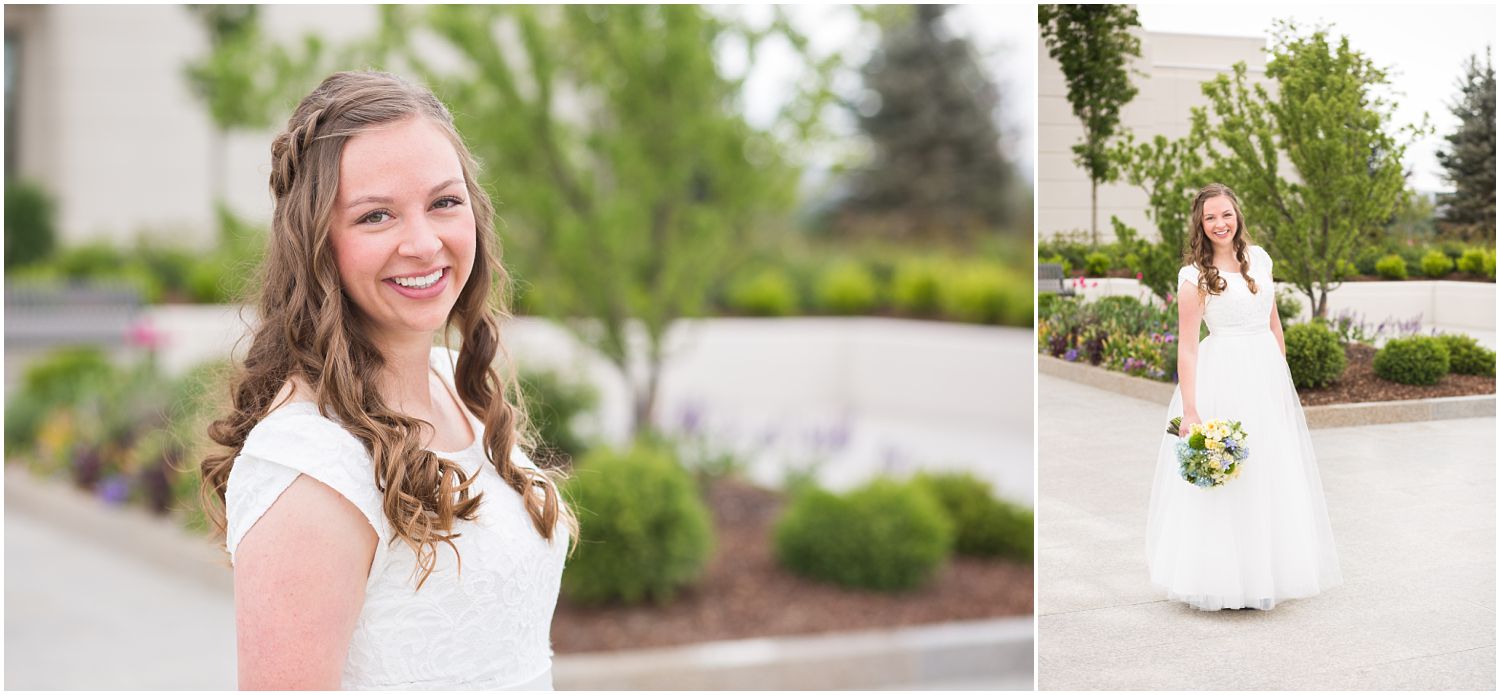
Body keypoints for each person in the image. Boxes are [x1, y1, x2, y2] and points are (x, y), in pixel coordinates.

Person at [198, 70, 576, 689]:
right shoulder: (310, 463)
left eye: (444, 202)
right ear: (318, 243)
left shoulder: (454, 383)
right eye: (377, 216)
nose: (424, 243)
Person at [1145, 183, 1341, 611]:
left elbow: (1273, 324)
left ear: (1238, 216)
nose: (1220, 223)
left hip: (1264, 377)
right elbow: (1188, 345)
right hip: (1223, 376)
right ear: (1200, 222)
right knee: (1230, 470)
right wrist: (1192, 410)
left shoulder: (1261, 260)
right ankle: (1223, 578)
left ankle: (1266, 573)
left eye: (1226, 214)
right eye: (1210, 217)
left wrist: (1279, 379)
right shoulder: (1193, 276)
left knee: (1268, 472)